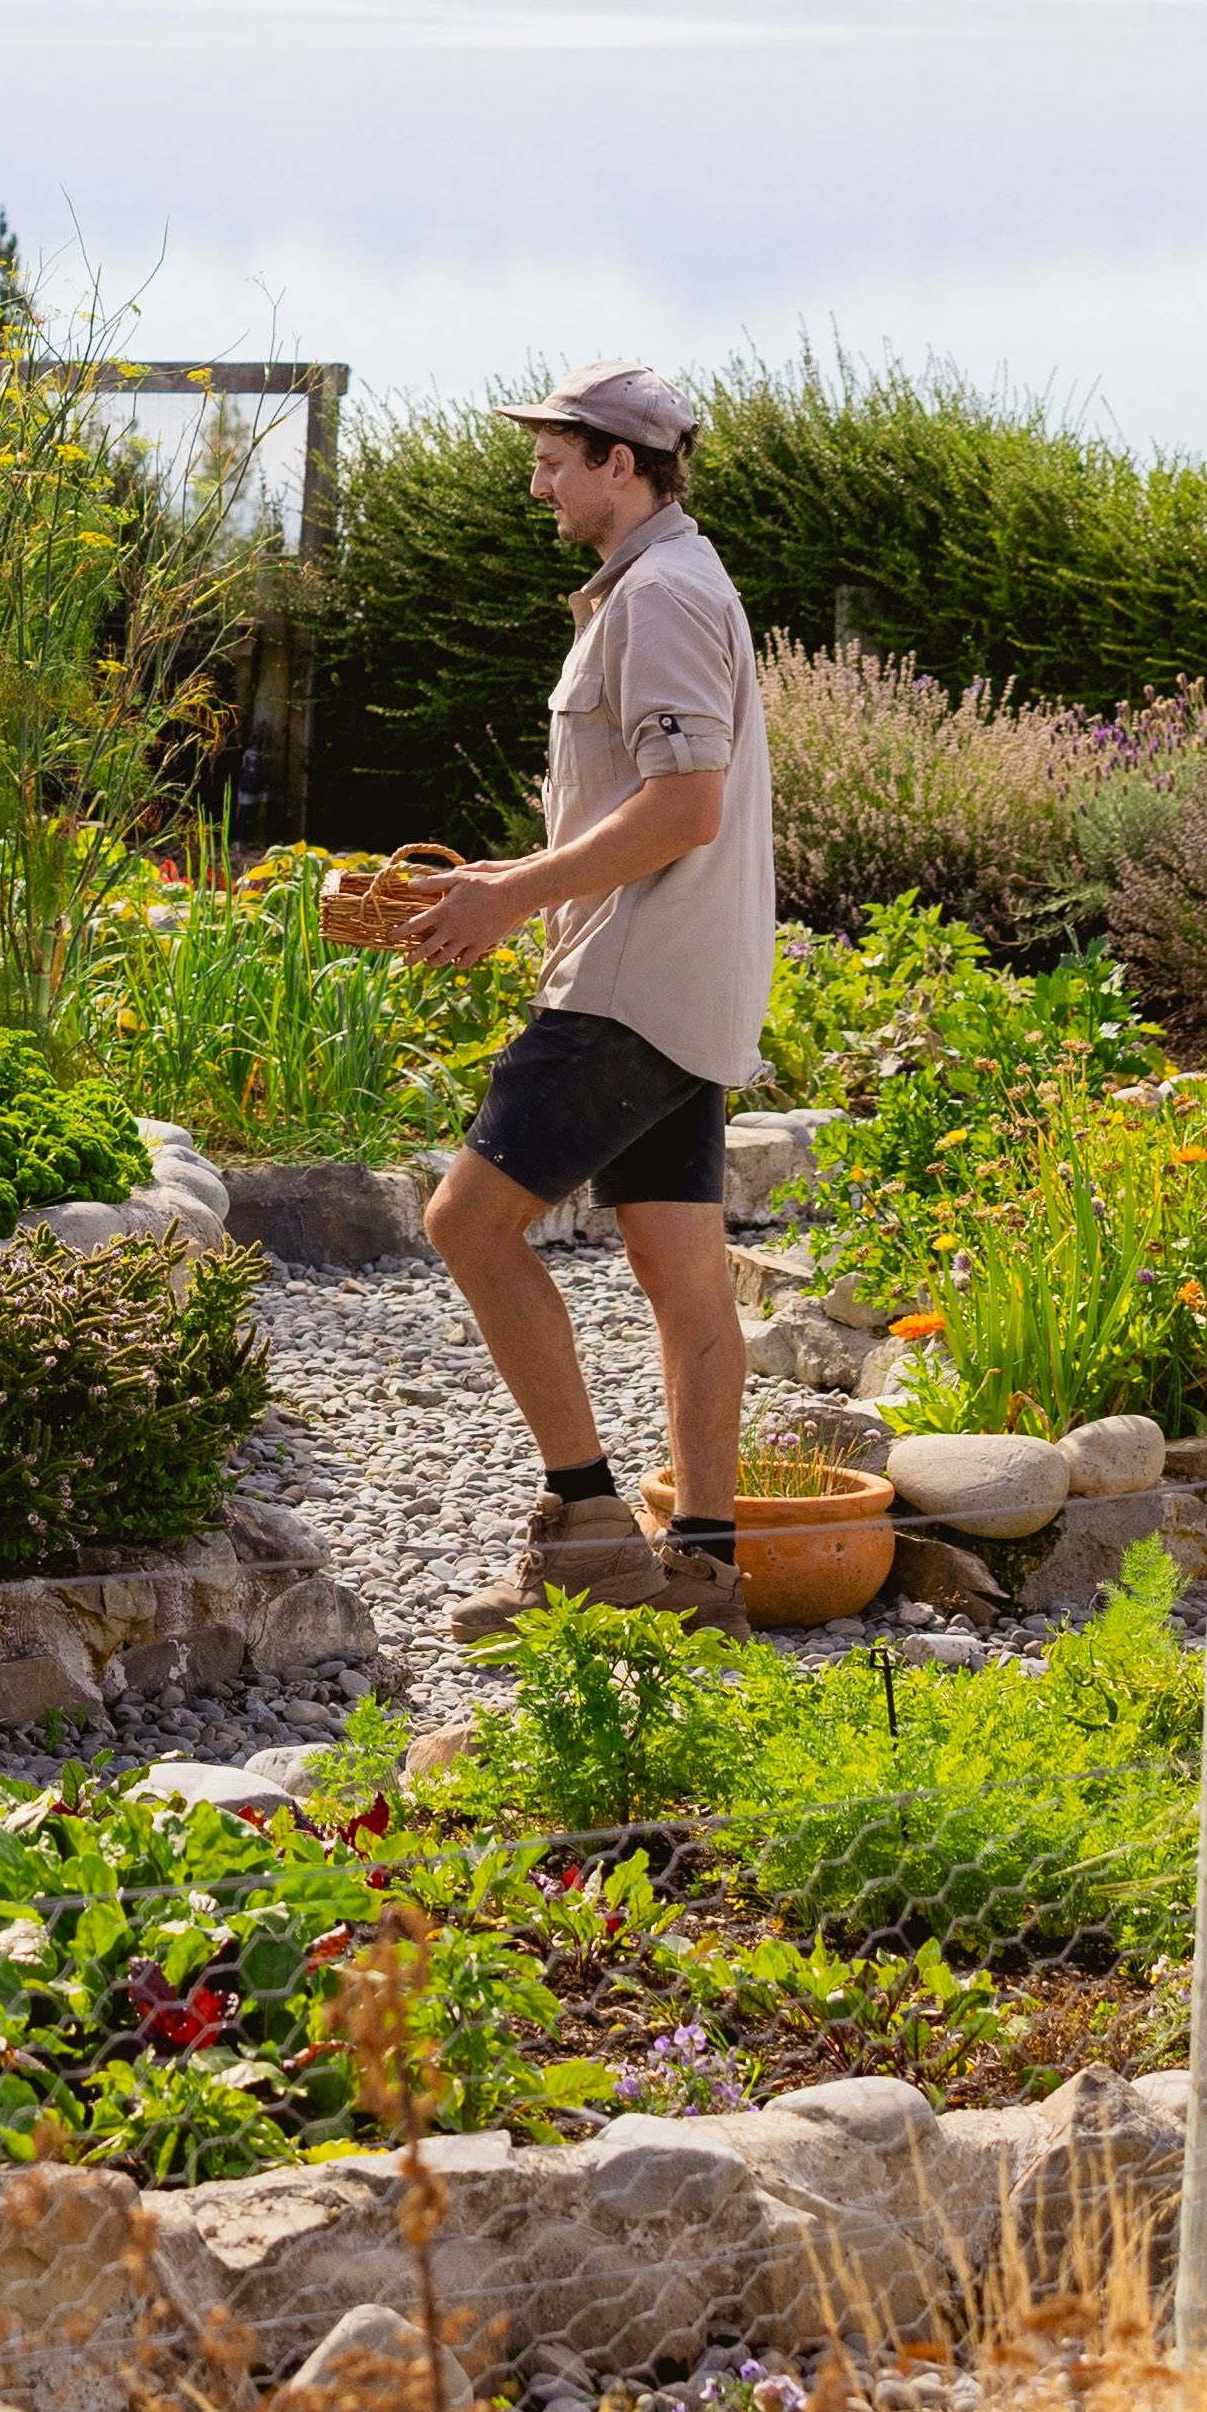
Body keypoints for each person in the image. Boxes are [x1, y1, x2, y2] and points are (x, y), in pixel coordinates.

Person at [402, 365, 776, 1619]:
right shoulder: (672, 582)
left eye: (556, 458)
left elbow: (683, 807)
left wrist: (508, 902)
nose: (536, 480)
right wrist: (510, 876)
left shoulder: (660, 594)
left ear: (623, 465)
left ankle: (590, 1535)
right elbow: (644, 802)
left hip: (628, 983)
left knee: (466, 1222)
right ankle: (702, 1573)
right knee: (684, 1277)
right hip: (683, 984)